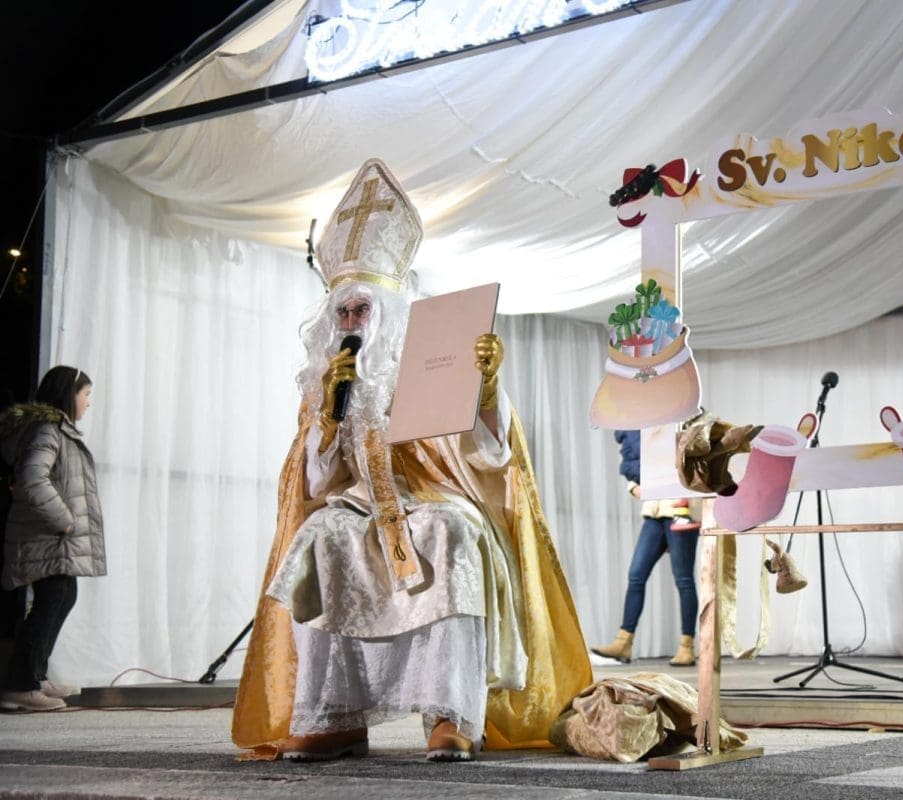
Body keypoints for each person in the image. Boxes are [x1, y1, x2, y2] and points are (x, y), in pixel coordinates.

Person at [231, 158, 591, 762]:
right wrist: (329, 420)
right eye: (343, 314)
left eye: (362, 311)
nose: (351, 324)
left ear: (388, 314)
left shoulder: (429, 361)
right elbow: (314, 484)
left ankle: (452, 715)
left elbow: (488, 457)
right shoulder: (325, 384)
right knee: (320, 535)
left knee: (448, 532)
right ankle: (333, 716)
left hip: (436, 498)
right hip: (360, 506)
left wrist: (484, 391)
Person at [0, 366, 102, 711]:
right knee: (53, 600)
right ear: (68, 394)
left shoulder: (55, 430)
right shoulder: (48, 431)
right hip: (47, 536)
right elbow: (32, 480)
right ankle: (21, 685)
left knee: (61, 597)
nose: (88, 402)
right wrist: (65, 520)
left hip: (52, 538)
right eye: (86, 394)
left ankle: (34, 676)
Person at [591, 429, 699, 667]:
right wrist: (633, 486)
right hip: (654, 514)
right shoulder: (649, 430)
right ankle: (623, 642)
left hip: (680, 512)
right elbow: (641, 461)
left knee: (683, 580)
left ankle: (687, 647)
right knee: (636, 575)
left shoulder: (684, 425)